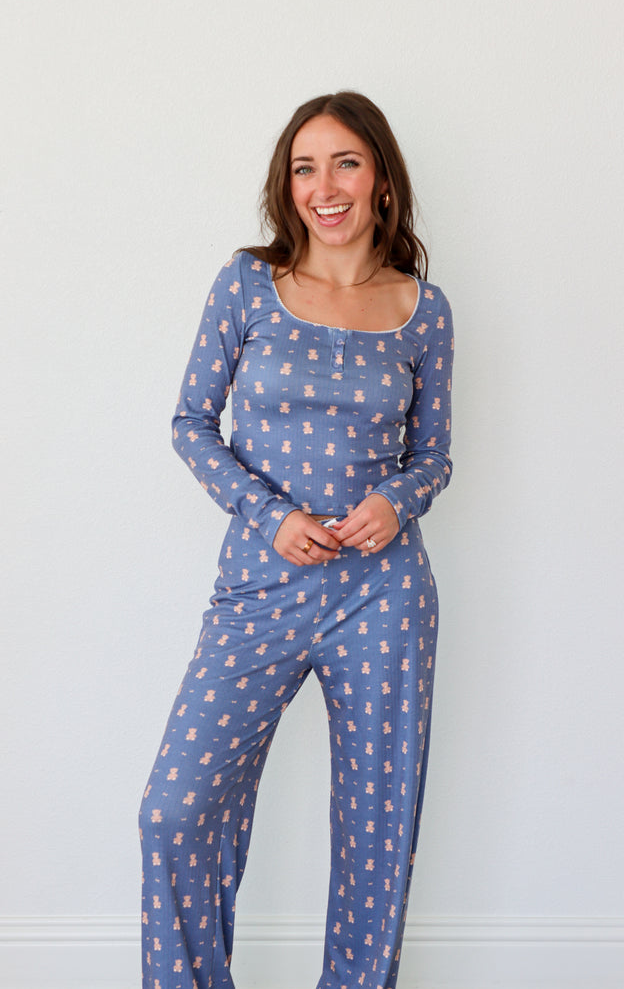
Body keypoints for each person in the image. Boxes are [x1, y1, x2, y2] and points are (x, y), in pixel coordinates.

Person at [139, 91, 454, 989]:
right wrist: (270, 514)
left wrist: (399, 499)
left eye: (346, 162)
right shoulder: (247, 282)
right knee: (174, 812)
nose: (325, 185)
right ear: (288, 186)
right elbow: (191, 422)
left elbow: (434, 456)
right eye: (305, 166)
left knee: (377, 832)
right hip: (259, 585)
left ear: (382, 182)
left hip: (384, 593)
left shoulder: (422, 311)